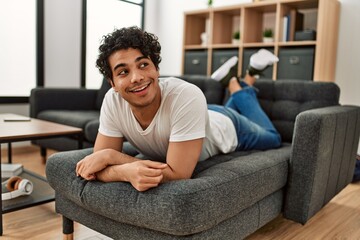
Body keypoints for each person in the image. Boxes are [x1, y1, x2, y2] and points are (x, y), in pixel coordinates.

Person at [76, 26, 281, 191]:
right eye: (123, 71)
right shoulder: (112, 101)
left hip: (228, 126)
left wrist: (112, 157)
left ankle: (236, 83)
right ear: (112, 83)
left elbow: (178, 174)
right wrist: (124, 171)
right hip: (196, 117)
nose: (136, 77)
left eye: (143, 65)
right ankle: (241, 77)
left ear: (156, 68)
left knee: (273, 137)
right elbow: (97, 167)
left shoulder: (186, 95)